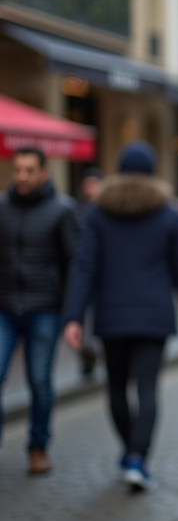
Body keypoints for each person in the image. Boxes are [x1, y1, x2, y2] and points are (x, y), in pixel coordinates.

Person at [63, 141, 178, 491]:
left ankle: (128, 449)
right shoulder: (169, 214)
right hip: (155, 314)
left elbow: (85, 266)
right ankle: (138, 458)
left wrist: (74, 316)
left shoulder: (97, 212)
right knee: (149, 388)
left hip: (112, 313)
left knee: (116, 389)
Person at [0, 146, 79, 475]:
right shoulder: (1, 207)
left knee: (39, 379)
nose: (22, 176)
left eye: (29, 170)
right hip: (3, 307)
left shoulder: (62, 210)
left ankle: (37, 446)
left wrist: (72, 312)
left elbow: (74, 263)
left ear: (44, 172)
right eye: (17, 169)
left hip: (44, 308)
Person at [74, 166, 105, 377]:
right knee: (82, 318)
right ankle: (87, 355)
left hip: (103, 278)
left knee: (98, 317)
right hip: (84, 275)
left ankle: (95, 350)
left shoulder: (108, 212)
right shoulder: (77, 211)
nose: (90, 189)